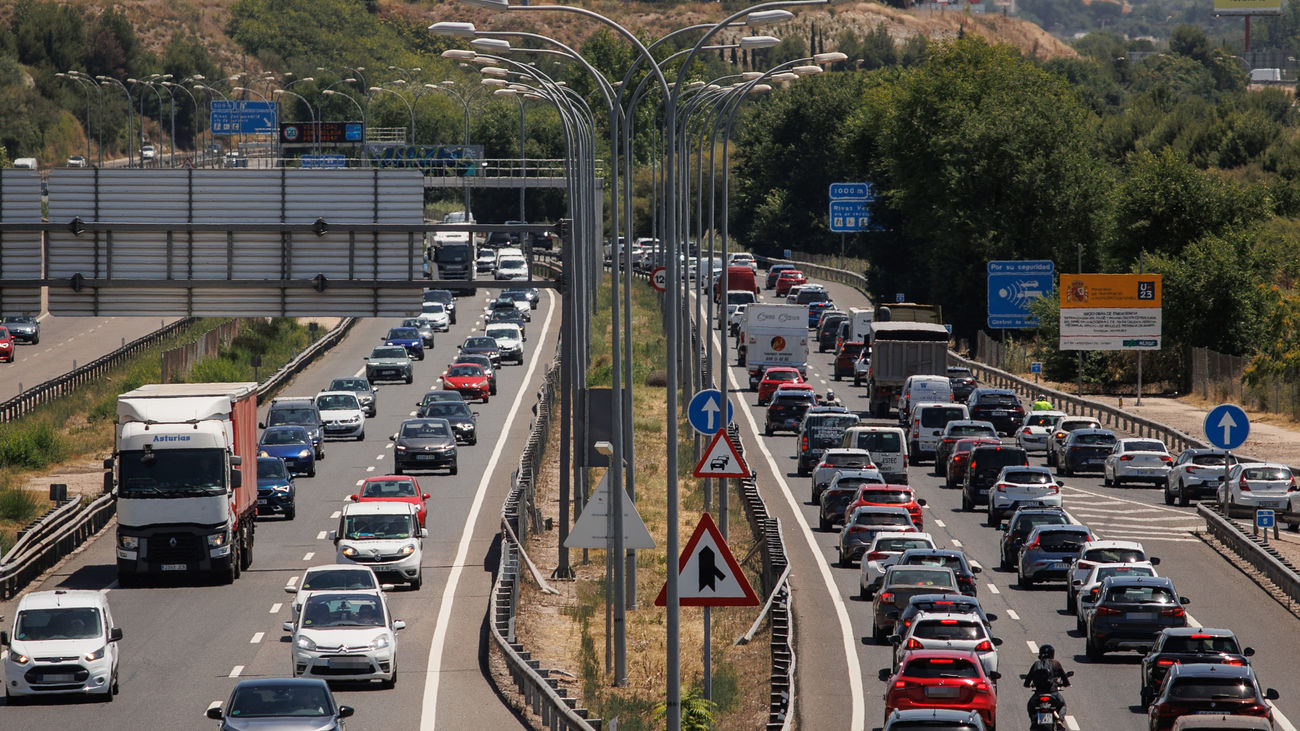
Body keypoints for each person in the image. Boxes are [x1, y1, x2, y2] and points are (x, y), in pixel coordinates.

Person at [1024, 644, 1070, 720]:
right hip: (1053, 693)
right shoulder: (1056, 663)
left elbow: (1028, 679)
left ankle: (1033, 720)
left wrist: (1027, 684)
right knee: (1062, 705)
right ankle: (1060, 720)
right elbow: (1064, 677)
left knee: (1030, 705)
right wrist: (1066, 684)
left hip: (1039, 692)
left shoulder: (1036, 664)